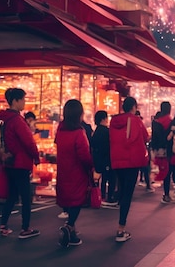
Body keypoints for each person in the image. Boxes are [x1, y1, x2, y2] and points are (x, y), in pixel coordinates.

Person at [0, 88, 41, 239]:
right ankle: (26, 228)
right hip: (21, 162)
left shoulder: (4, 119)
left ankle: (3, 225)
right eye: (23, 99)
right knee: (25, 195)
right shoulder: (17, 120)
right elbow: (28, 142)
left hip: (9, 161)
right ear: (15, 101)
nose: (24, 102)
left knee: (12, 194)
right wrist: (36, 157)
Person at [109, 97, 149, 242]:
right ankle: (121, 229)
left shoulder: (113, 121)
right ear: (133, 106)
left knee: (122, 189)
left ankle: (117, 200)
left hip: (117, 161)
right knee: (127, 194)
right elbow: (146, 136)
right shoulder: (136, 120)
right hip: (132, 161)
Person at [55, 99, 94, 247]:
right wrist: (91, 167)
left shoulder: (60, 129)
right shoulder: (79, 132)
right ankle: (68, 226)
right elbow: (84, 155)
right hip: (77, 171)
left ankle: (71, 233)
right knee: (77, 200)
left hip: (63, 170)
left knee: (69, 200)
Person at [91, 110, 117, 207]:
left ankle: (101, 195)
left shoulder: (96, 132)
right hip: (107, 159)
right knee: (111, 178)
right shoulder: (106, 131)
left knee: (102, 178)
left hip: (98, 159)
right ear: (103, 119)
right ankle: (109, 197)